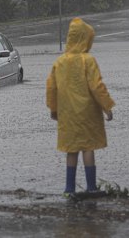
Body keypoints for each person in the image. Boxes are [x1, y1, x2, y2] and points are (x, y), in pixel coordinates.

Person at [46, 17, 115, 196]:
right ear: (86, 39)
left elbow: (51, 87)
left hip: (67, 113)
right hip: (87, 112)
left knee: (71, 149)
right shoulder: (88, 60)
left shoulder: (59, 62)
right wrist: (107, 106)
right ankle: (91, 187)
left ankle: (69, 189)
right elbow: (96, 86)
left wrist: (54, 109)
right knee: (88, 146)